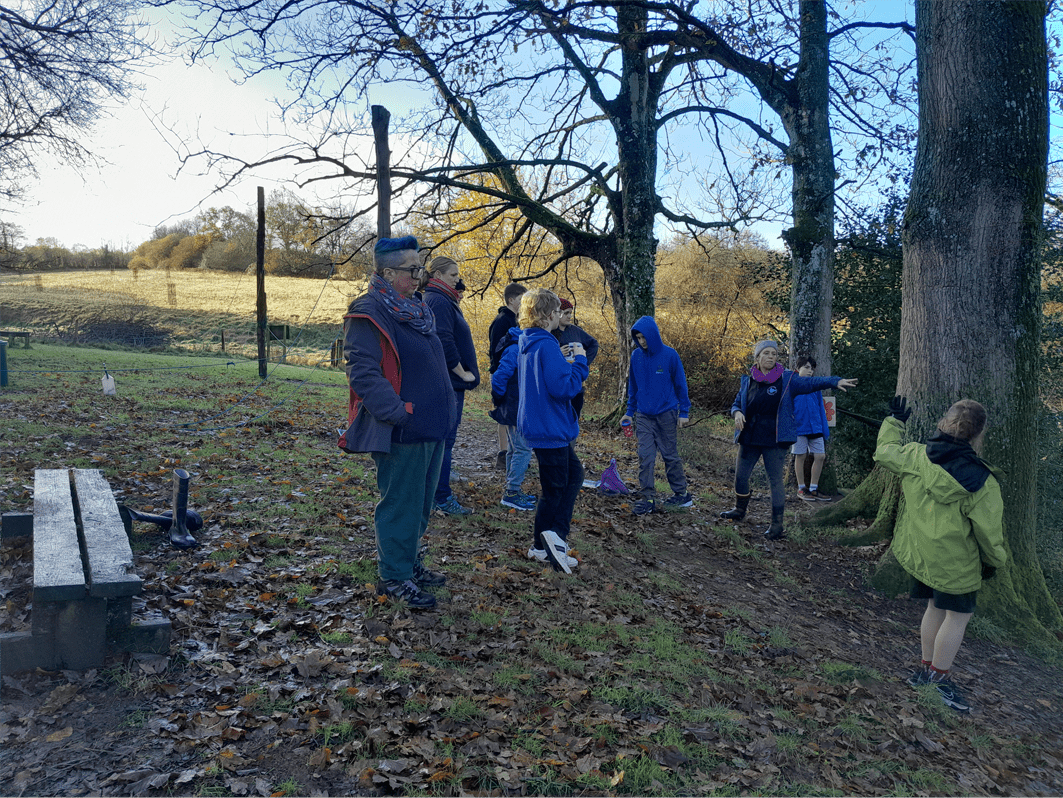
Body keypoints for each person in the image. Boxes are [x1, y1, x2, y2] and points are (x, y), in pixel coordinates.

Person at [340, 236, 454, 610]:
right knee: (401, 506)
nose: (420, 276)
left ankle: (408, 564)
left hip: (432, 427)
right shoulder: (369, 310)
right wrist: (397, 413)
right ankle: (394, 576)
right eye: (412, 270)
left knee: (421, 505)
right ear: (387, 272)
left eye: (420, 268)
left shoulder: (414, 308)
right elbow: (363, 372)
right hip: (404, 429)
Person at [874, 396, 1006, 713]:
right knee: (957, 617)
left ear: (941, 424)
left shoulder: (917, 456)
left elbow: (884, 452)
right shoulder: (982, 482)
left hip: (922, 557)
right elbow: (989, 533)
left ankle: (925, 671)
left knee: (934, 607)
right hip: (956, 565)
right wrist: (995, 561)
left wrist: (894, 421)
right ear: (978, 435)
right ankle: (939, 680)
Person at [721, 340, 857, 540]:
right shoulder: (749, 380)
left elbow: (811, 383)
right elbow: (736, 403)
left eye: (774, 354)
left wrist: (834, 381)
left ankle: (777, 526)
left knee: (775, 481)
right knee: (741, 477)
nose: (771, 357)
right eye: (766, 353)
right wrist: (737, 413)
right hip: (749, 437)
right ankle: (739, 509)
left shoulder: (787, 379)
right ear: (757, 357)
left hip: (775, 439)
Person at [517, 288, 588, 574]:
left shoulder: (530, 341)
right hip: (550, 427)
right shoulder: (545, 344)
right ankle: (553, 540)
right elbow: (564, 388)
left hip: (542, 425)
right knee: (556, 488)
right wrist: (580, 361)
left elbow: (550, 379)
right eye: (558, 311)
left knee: (574, 476)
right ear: (548, 315)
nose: (561, 316)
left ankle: (541, 544)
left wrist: (565, 362)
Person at [423, 256, 480, 516]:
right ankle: (441, 497)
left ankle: (438, 492)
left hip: (449, 382)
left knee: (445, 440)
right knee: (445, 440)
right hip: (448, 382)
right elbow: (443, 339)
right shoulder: (438, 299)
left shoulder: (444, 298)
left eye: (457, 274)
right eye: (452, 275)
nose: (457, 279)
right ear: (436, 275)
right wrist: (461, 371)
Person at [620, 316, 693, 515]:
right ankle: (648, 497)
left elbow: (680, 385)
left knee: (670, 455)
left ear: (653, 335)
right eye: (638, 338)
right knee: (645, 456)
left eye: (644, 337)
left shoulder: (670, 355)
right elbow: (633, 388)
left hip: (666, 413)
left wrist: (684, 411)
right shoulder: (636, 356)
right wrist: (629, 412)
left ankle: (681, 494)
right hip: (643, 415)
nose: (642, 341)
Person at [489, 325, 536, 511]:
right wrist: (499, 398)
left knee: (514, 449)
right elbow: (500, 377)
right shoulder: (515, 347)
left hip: (515, 405)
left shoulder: (521, 344)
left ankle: (511, 489)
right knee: (523, 449)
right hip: (514, 406)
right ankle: (512, 492)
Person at [488, 284, 528, 469]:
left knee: (510, 416)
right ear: (511, 300)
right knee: (504, 416)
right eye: (521, 299)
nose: (524, 303)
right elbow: (496, 349)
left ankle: (513, 453)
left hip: (512, 373)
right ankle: (503, 454)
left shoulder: (517, 319)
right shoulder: (502, 320)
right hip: (501, 372)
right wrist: (497, 373)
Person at [791, 355, 833, 501]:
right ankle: (802, 488)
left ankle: (814, 488)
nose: (810, 371)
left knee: (820, 456)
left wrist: (824, 427)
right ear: (798, 369)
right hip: (799, 427)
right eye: (806, 368)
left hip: (816, 427)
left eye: (812, 369)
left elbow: (821, 407)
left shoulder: (815, 387)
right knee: (800, 456)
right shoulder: (793, 384)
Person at [552, 297, 599, 418]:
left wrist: (583, 361)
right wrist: (558, 354)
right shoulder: (550, 333)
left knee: (574, 417)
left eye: (570, 313)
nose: (569, 316)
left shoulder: (576, 331)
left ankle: (573, 437)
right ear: (557, 313)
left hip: (577, 382)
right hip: (559, 383)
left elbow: (593, 344)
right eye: (566, 313)